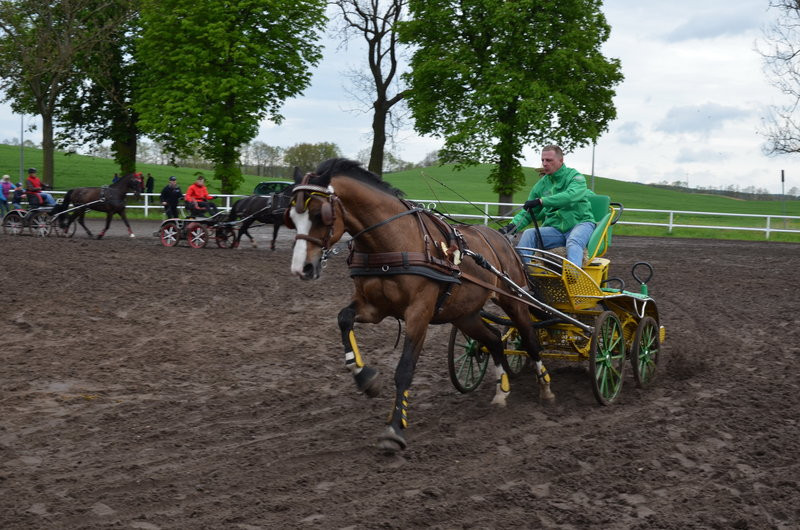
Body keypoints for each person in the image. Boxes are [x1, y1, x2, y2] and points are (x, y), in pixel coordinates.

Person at [499, 145, 595, 267]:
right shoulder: (540, 185)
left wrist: (542, 201)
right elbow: (529, 212)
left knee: (573, 240)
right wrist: (512, 226)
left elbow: (570, 197)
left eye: (549, 160)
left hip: (581, 224)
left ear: (561, 160)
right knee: (529, 234)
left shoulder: (575, 177)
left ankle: (574, 278)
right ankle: (521, 275)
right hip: (556, 230)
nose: (544, 164)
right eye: (543, 160)